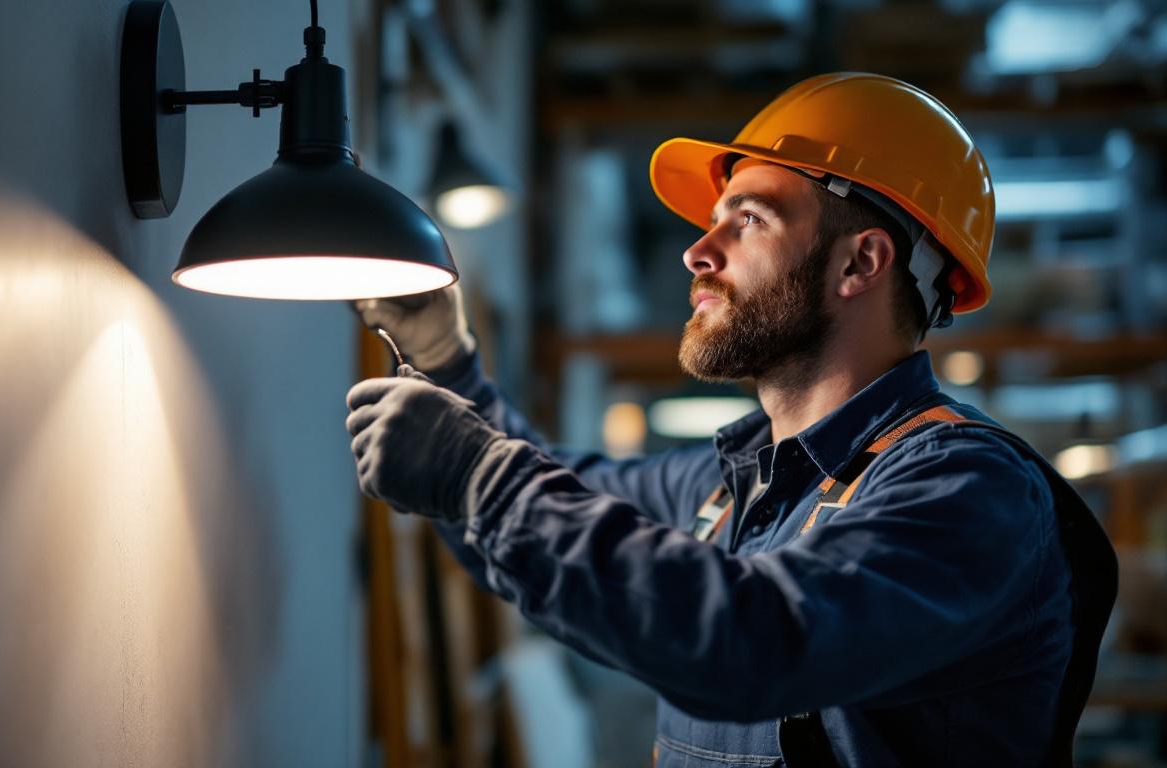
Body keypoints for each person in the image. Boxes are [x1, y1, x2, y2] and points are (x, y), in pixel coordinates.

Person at [344, 73, 1116, 767]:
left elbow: (761, 641)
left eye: (746, 220)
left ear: (861, 264)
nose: (696, 252)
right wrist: (447, 361)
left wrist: (483, 479)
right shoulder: (731, 486)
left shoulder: (967, 489)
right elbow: (539, 508)